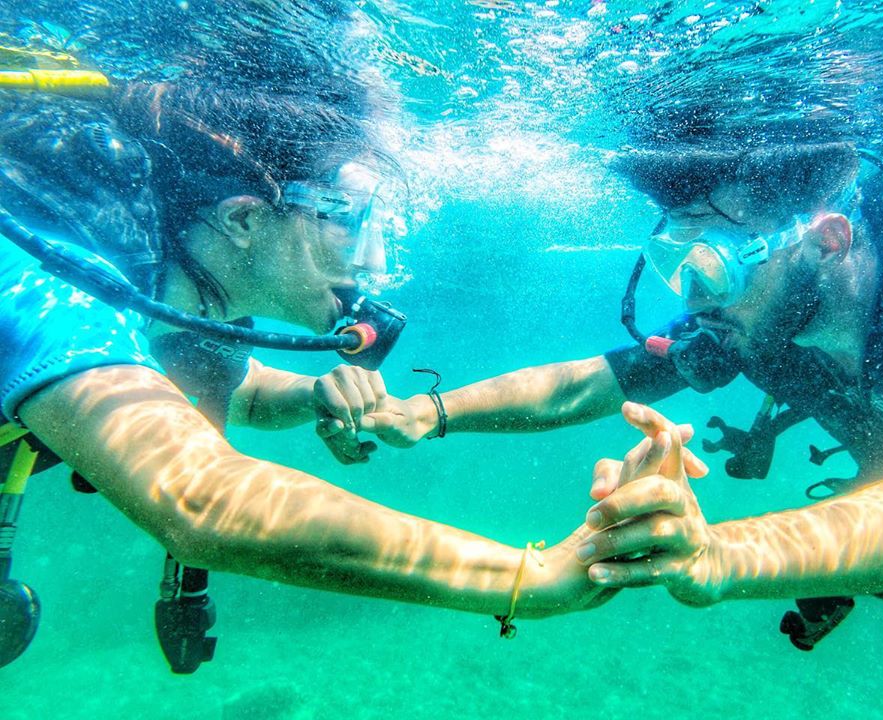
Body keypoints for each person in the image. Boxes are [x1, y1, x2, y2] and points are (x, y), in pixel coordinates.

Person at [0, 60, 618, 671]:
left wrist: (309, 394)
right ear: (244, 219)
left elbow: (227, 392)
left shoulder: (166, 288)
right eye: (349, 221)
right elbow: (201, 501)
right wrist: (528, 579)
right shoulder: (41, 286)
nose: (374, 262)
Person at [367, 139, 883, 647]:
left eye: (710, 266)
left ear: (827, 240)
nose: (693, 298)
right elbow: (589, 383)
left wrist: (719, 555)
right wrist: (425, 413)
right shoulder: (759, 314)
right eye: (672, 264)